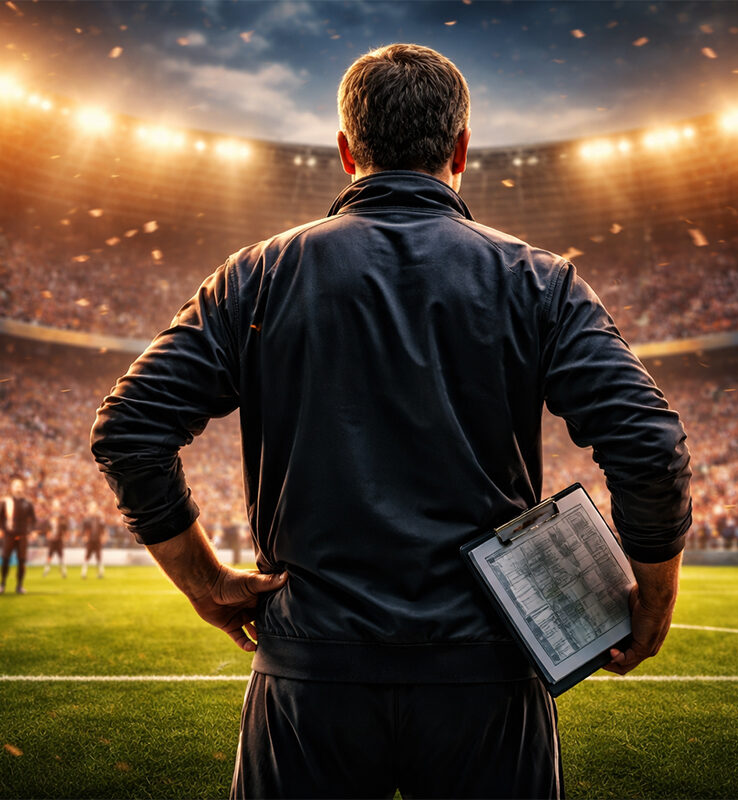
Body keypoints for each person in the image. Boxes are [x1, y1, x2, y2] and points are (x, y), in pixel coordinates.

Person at [91, 43, 691, 799]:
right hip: (486, 675)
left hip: (312, 677)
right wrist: (652, 600)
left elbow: (129, 430)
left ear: (347, 151)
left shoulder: (258, 275)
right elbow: (650, 445)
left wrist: (206, 582)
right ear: (462, 148)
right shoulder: (538, 280)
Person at [0, 476, 37, 594]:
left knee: (22, 561)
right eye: (16, 486)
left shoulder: (28, 503)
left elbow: (33, 520)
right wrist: (1, 529)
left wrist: (32, 531)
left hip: (22, 535)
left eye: (20, 486)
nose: (18, 488)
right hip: (8, 535)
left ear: (23, 488)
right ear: (12, 487)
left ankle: (19, 586)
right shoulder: (5, 502)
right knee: (5, 559)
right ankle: (2, 584)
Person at [42, 499, 69, 578]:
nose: (56, 508)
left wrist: (65, 535)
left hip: (59, 539)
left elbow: (65, 527)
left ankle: (63, 571)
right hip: (52, 540)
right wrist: (48, 533)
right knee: (49, 555)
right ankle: (46, 569)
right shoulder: (50, 517)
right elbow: (47, 527)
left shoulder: (62, 517)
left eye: (57, 506)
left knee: (61, 556)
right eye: (55, 506)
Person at [80, 501, 106, 579]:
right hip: (90, 540)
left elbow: (103, 529)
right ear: (89, 509)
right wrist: (84, 536)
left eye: (94, 508)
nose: (93, 509)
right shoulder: (86, 519)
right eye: (92, 508)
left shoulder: (99, 518)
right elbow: (84, 529)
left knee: (99, 557)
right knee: (87, 556)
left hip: (97, 540)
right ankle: (83, 573)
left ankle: (101, 573)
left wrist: (103, 536)